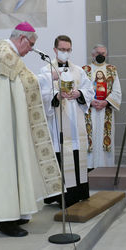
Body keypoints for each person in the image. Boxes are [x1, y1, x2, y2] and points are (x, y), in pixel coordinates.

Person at [0, 22, 62, 237]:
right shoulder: (6, 55)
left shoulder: (4, 53)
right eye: (30, 45)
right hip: (5, 127)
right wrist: (49, 77)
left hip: (9, 122)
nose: (30, 50)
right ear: (22, 39)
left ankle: (16, 212)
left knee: (16, 163)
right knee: (7, 165)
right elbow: (26, 82)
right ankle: (5, 220)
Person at [38, 35, 94, 207]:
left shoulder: (78, 70)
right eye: (62, 49)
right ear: (55, 50)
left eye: (68, 49)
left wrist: (80, 94)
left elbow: (89, 89)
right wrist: (57, 95)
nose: (65, 52)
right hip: (59, 123)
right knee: (62, 156)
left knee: (77, 155)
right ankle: (64, 197)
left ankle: (80, 193)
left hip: (76, 123)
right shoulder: (47, 71)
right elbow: (43, 95)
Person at [82, 44, 122, 170]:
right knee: (91, 137)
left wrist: (106, 102)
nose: (101, 55)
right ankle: (90, 167)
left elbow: (117, 92)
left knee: (104, 138)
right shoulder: (84, 70)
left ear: (106, 55)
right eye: (98, 52)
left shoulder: (112, 70)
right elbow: (81, 90)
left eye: (103, 53)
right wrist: (91, 101)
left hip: (106, 111)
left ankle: (105, 168)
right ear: (92, 54)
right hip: (90, 110)